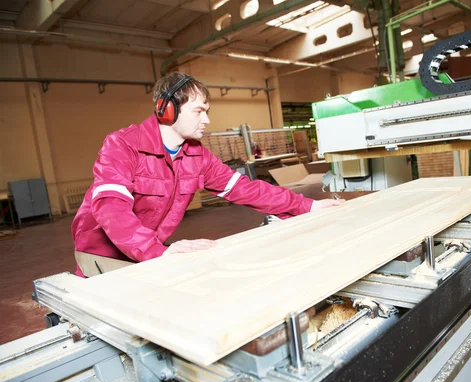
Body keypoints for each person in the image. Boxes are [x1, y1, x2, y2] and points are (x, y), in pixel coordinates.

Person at [71, 72, 343, 277]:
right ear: (167, 109)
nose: (207, 120)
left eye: (207, 111)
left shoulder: (196, 155)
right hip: (102, 257)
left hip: (150, 252)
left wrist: (309, 206)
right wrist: (158, 252)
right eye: (199, 111)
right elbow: (111, 209)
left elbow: (246, 189)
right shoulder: (123, 144)